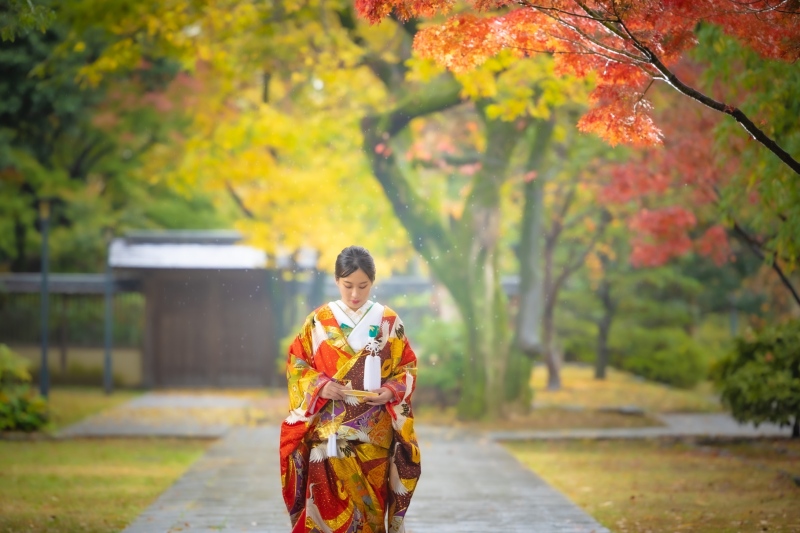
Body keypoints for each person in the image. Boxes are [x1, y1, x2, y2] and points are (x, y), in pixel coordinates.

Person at [280, 245, 421, 533]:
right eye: (348, 286)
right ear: (336, 281)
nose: (355, 294)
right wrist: (320, 386)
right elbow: (296, 365)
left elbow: (406, 368)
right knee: (323, 511)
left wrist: (392, 391)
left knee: (370, 512)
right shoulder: (319, 320)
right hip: (328, 433)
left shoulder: (389, 322)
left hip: (373, 435)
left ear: (372, 282)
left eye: (363, 286)